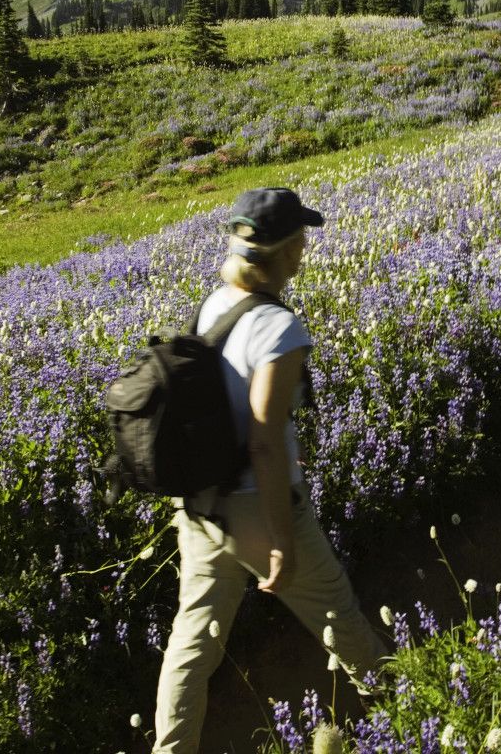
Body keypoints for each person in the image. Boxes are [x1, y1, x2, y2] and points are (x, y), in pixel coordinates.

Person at [152, 187, 389, 753]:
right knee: (338, 613)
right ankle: (412, 713)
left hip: (203, 504)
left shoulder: (214, 304)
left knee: (192, 641)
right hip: (259, 506)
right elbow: (264, 440)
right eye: (301, 239)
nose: (306, 249)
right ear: (284, 250)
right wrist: (281, 537)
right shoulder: (281, 330)